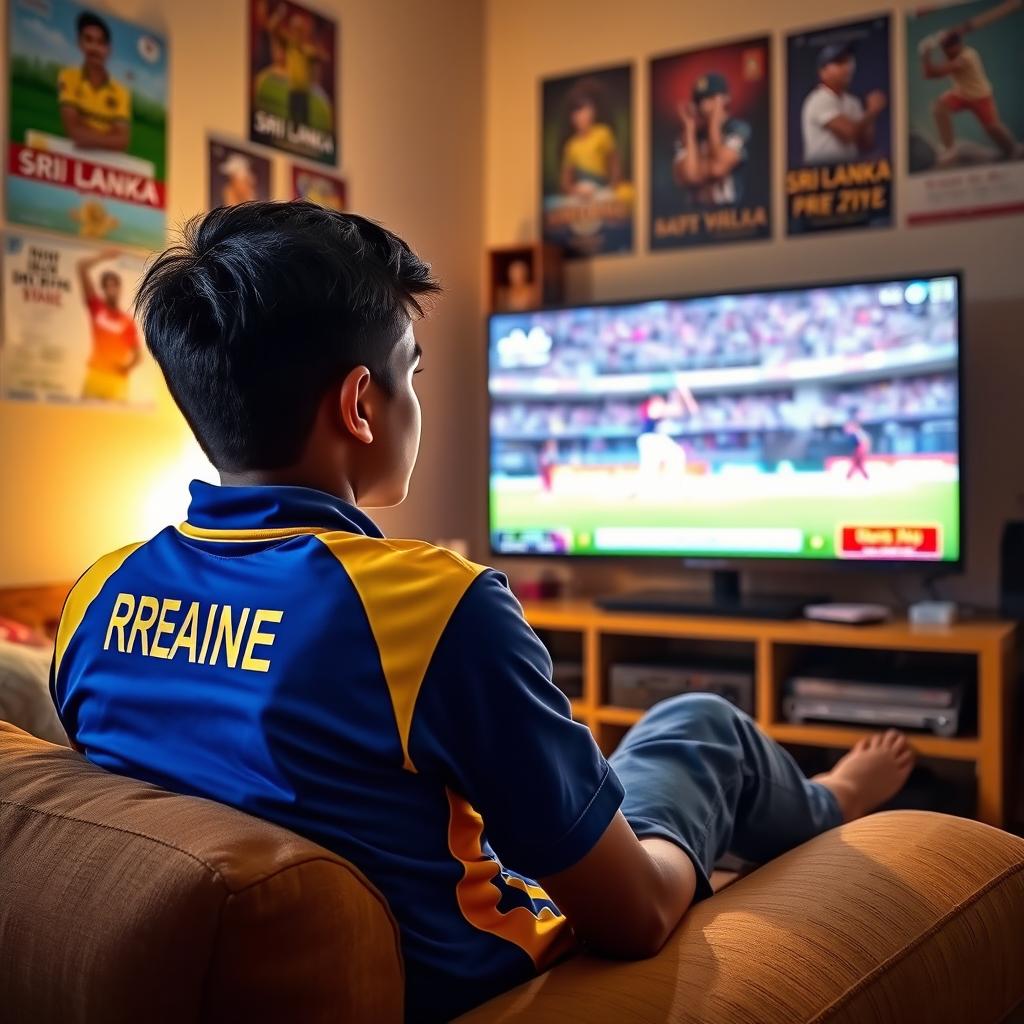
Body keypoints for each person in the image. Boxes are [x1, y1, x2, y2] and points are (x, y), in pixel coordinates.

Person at [51, 202, 915, 1022]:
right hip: (478, 978)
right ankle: (830, 804)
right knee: (699, 728)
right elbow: (635, 916)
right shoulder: (433, 606)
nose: (416, 402)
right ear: (359, 405)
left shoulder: (93, 596)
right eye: (412, 375)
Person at [919, 27, 1019, 165]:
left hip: (980, 96)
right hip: (961, 94)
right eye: (944, 48)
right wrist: (928, 50)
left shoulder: (967, 56)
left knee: (992, 127)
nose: (946, 52)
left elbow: (932, 74)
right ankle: (949, 150)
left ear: (958, 45)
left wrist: (925, 54)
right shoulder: (952, 55)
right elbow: (928, 74)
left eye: (949, 47)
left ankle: (1013, 149)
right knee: (939, 107)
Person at [801, 42, 887, 165]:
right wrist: (872, 111)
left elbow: (865, 144)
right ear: (823, 72)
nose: (846, 68)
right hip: (819, 175)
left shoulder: (853, 102)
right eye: (839, 63)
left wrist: (871, 116)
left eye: (848, 62)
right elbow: (849, 133)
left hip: (847, 175)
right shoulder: (818, 99)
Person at [58, 11, 131, 153]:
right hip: (73, 156)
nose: (94, 48)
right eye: (88, 40)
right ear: (80, 43)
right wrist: (109, 137)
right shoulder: (68, 76)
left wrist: (85, 133)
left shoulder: (121, 91)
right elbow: (74, 131)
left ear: (108, 50)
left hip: (108, 165)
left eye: (100, 42)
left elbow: (122, 141)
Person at [674, 72, 750, 206]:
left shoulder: (737, 128)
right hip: (696, 217)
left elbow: (718, 168)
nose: (704, 105)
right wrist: (690, 130)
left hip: (734, 215)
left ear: (725, 98)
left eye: (710, 98)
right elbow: (691, 176)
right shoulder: (689, 134)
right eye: (699, 101)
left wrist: (714, 123)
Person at [76, 248, 141, 402]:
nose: (112, 289)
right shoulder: (96, 308)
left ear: (119, 289)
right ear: (104, 289)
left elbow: (137, 355)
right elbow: (81, 267)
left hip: (117, 382)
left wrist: (126, 368)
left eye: (115, 286)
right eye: (108, 286)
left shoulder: (127, 321)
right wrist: (103, 256)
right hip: (96, 375)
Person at [560, 79, 621, 196]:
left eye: (585, 110)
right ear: (572, 116)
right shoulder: (571, 144)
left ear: (593, 111)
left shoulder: (603, 133)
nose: (582, 116)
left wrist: (611, 187)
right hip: (582, 191)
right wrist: (575, 190)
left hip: (603, 189)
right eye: (577, 112)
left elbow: (614, 164)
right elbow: (566, 180)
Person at [844, 411, 872, 480]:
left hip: (860, 449)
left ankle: (849, 476)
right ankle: (865, 476)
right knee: (858, 463)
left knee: (856, 462)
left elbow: (864, 442)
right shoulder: (858, 432)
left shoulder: (858, 432)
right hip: (860, 449)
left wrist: (864, 450)